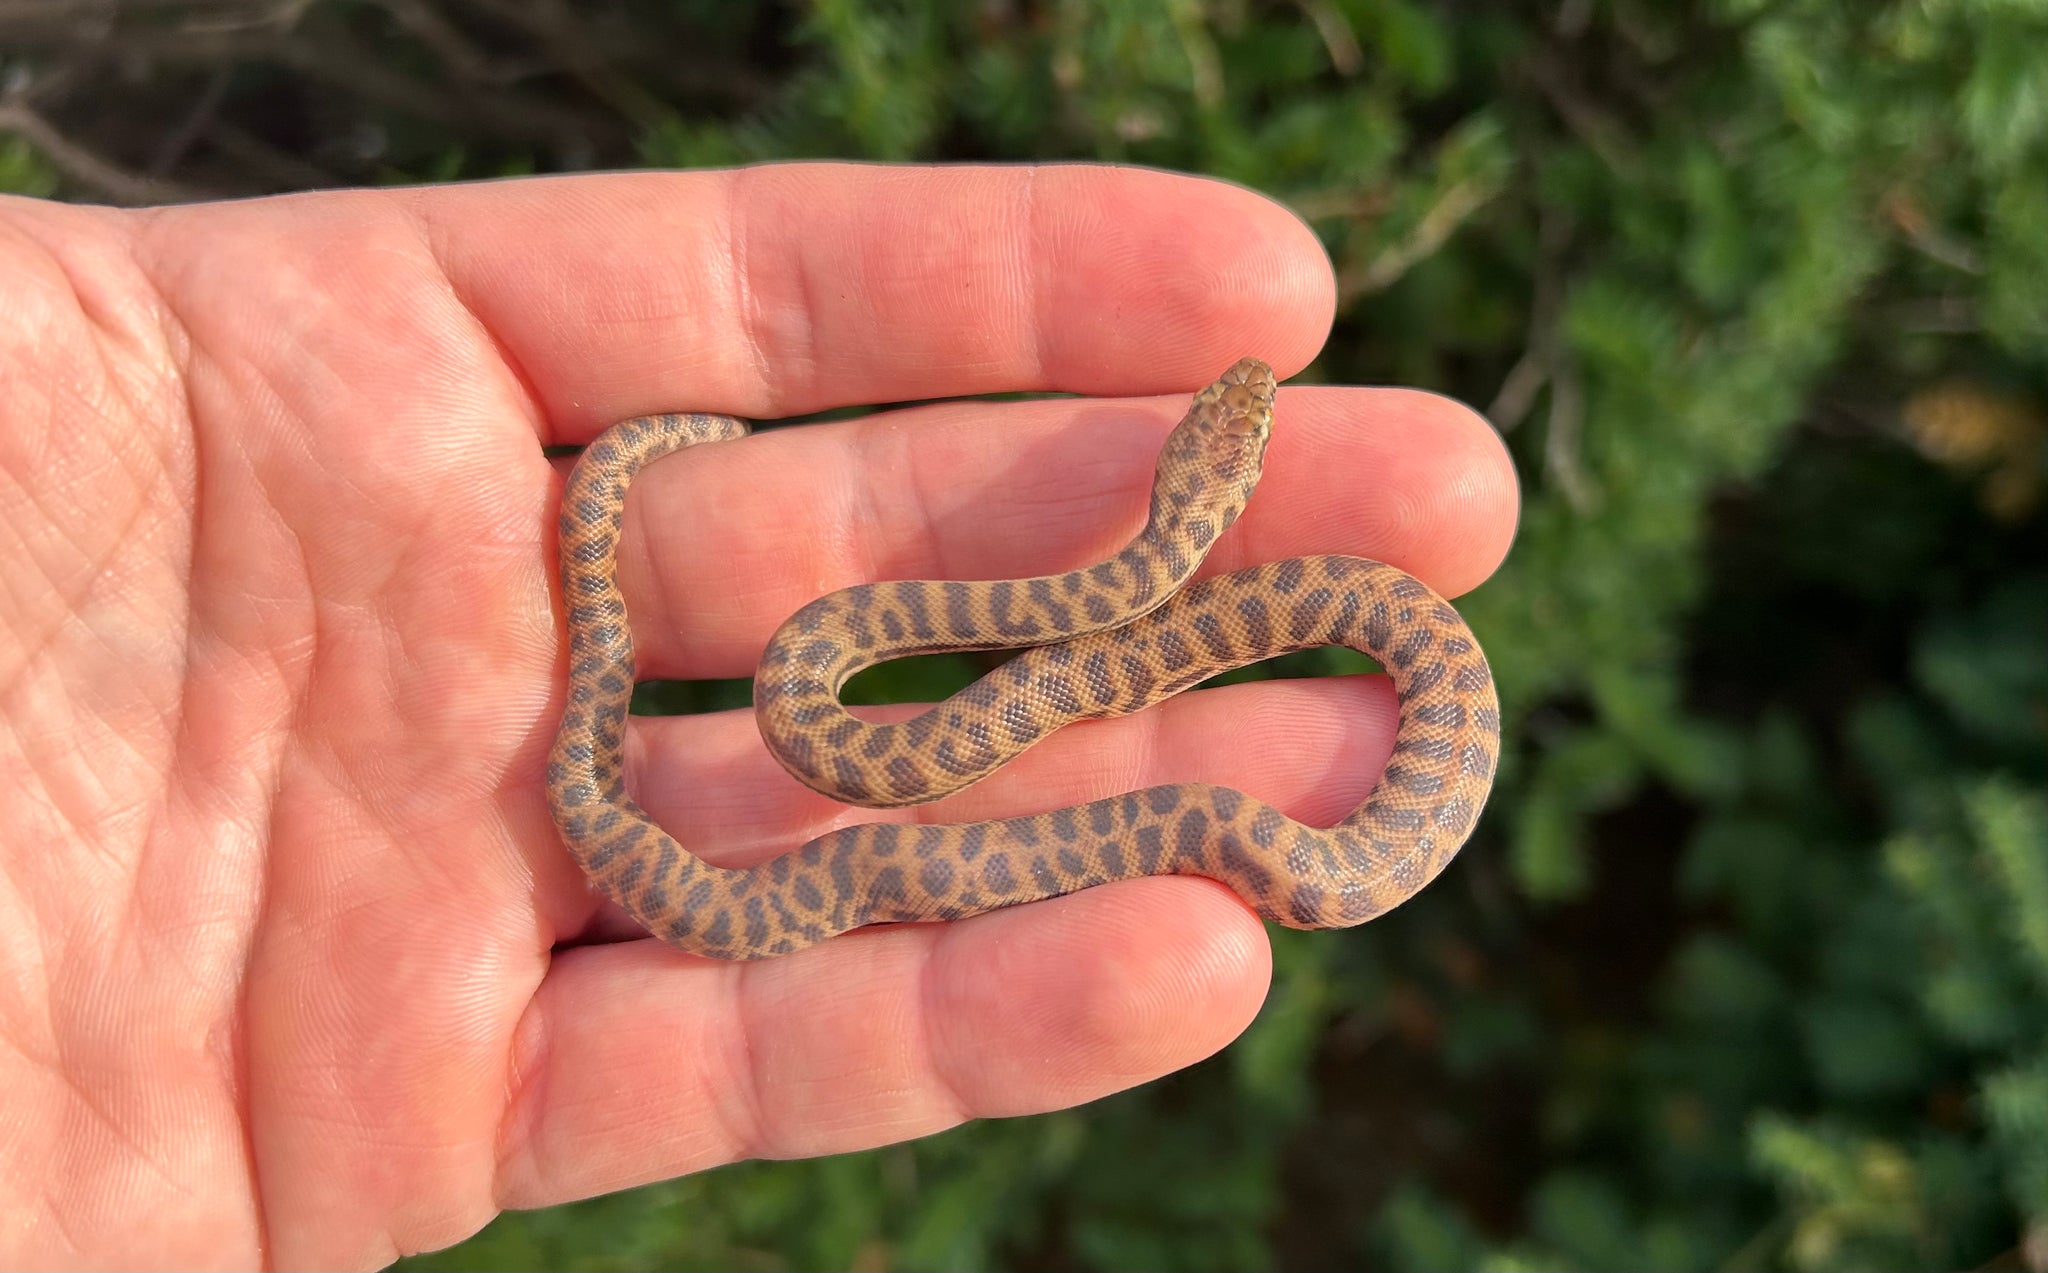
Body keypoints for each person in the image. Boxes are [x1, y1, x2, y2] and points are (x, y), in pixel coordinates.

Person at [0, 163, 1517, 1268]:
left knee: (1097, 807)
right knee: (880, 744)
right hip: (910, 693)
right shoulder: (857, 666)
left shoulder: (1175, 598)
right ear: (1214, 484)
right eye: (1220, 439)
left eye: (1218, 446)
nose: (1224, 437)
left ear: (1204, 485)